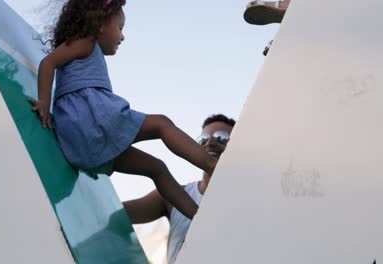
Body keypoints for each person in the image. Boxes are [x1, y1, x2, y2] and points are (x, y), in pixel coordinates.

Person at [27, 0, 217, 220]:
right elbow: (48, 63)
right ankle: (213, 166)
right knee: (162, 124)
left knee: (157, 168)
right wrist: (44, 101)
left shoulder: (87, 49)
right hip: (92, 122)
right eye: (120, 28)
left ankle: (199, 217)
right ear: (99, 24)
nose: (123, 36)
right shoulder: (85, 42)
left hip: (81, 144)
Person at [123, 114, 235, 264]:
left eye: (221, 137)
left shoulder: (247, 199)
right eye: (203, 138)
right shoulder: (173, 195)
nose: (209, 143)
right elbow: (117, 215)